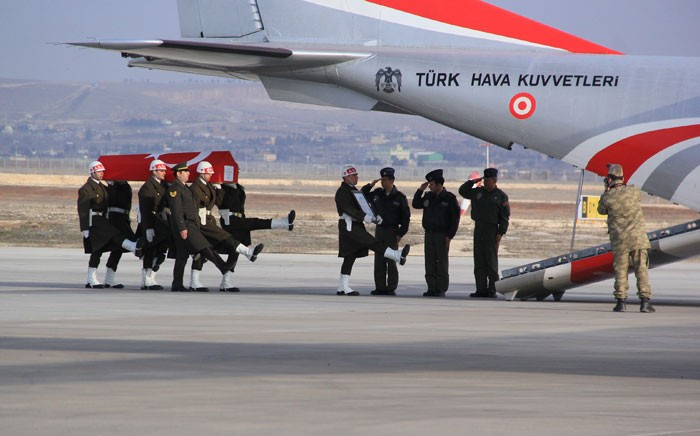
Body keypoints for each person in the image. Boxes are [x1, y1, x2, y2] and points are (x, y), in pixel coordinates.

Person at [186, 161, 264, 292]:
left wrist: (218, 187)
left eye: (211, 173)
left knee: (204, 251)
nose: (210, 175)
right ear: (202, 173)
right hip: (201, 222)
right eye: (208, 173)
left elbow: (218, 201)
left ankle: (200, 282)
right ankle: (247, 252)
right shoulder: (195, 188)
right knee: (225, 238)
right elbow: (192, 207)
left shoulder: (210, 186)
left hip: (208, 220)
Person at [335, 164, 410, 296]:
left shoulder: (352, 190)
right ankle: (395, 255)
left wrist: (372, 217)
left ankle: (343, 286)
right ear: (346, 177)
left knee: (350, 256)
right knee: (371, 242)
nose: (357, 177)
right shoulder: (342, 192)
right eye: (354, 175)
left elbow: (362, 202)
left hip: (356, 225)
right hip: (349, 226)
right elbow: (350, 209)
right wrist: (367, 217)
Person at [597, 163, 655, 313]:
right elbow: (632, 193)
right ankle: (645, 302)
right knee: (641, 270)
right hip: (638, 239)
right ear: (622, 177)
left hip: (620, 241)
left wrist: (606, 190)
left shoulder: (607, 197)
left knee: (621, 272)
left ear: (609, 179)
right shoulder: (634, 191)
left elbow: (601, 210)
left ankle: (621, 302)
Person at [218, 181, 295, 292]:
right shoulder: (222, 188)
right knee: (255, 222)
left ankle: (226, 282)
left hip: (239, 218)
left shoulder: (238, 188)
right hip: (230, 220)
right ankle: (284, 223)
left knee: (234, 250)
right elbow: (220, 203)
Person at [77, 160, 143, 288]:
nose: (101, 174)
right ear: (92, 172)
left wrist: (115, 184)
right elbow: (83, 210)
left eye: (102, 171)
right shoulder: (86, 189)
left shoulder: (103, 187)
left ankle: (108, 279)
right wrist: (84, 228)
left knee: (103, 249)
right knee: (102, 245)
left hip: (103, 219)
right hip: (94, 221)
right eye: (98, 171)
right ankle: (91, 279)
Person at [459, 168, 510, 298]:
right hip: (479, 228)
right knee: (479, 260)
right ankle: (480, 289)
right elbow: (462, 191)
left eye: (488, 181)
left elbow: (504, 218)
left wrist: (500, 233)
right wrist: (473, 181)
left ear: (494, 181)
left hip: (492, 230)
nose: (485, 183)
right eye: (484, 180)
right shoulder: (478, 192)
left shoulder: (501, 196)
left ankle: (492, 290)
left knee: (491, 262)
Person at [361, 167, 410, 296]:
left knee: (391, 260)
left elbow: (406, 218)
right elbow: (362, 196)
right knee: (379, 259)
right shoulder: (377, 194)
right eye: (381, 180)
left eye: (385, 180)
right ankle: (380, 287)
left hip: (392, 231)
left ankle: (391, 287)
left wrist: (400, 234)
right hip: (380, 230)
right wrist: (370, 185)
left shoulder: (399, 198)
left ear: (392, 180)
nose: (383, 183)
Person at [412, 169, 461, 297]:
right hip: (429, 233)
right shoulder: (428, 196)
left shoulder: (449, 198)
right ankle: (431, 287)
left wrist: (450, 236)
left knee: (442, 262)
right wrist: (420, 190)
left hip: (442, 234)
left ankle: (441, 288)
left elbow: (455, 218)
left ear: (439, 184)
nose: (430, 186)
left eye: (432, 184)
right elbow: (416, 204)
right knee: (430, 262)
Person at [137, 159, 170, 290]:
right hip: (151, 222)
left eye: (164, 170)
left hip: (161, 223)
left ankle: (150, 278)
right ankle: (146, 279)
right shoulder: (147, 188)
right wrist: (148, 228)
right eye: (161, 170)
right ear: (154, 171)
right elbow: (145, 211)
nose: (164, 173)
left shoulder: (164, 186)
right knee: (150, 251)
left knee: (161, 251)